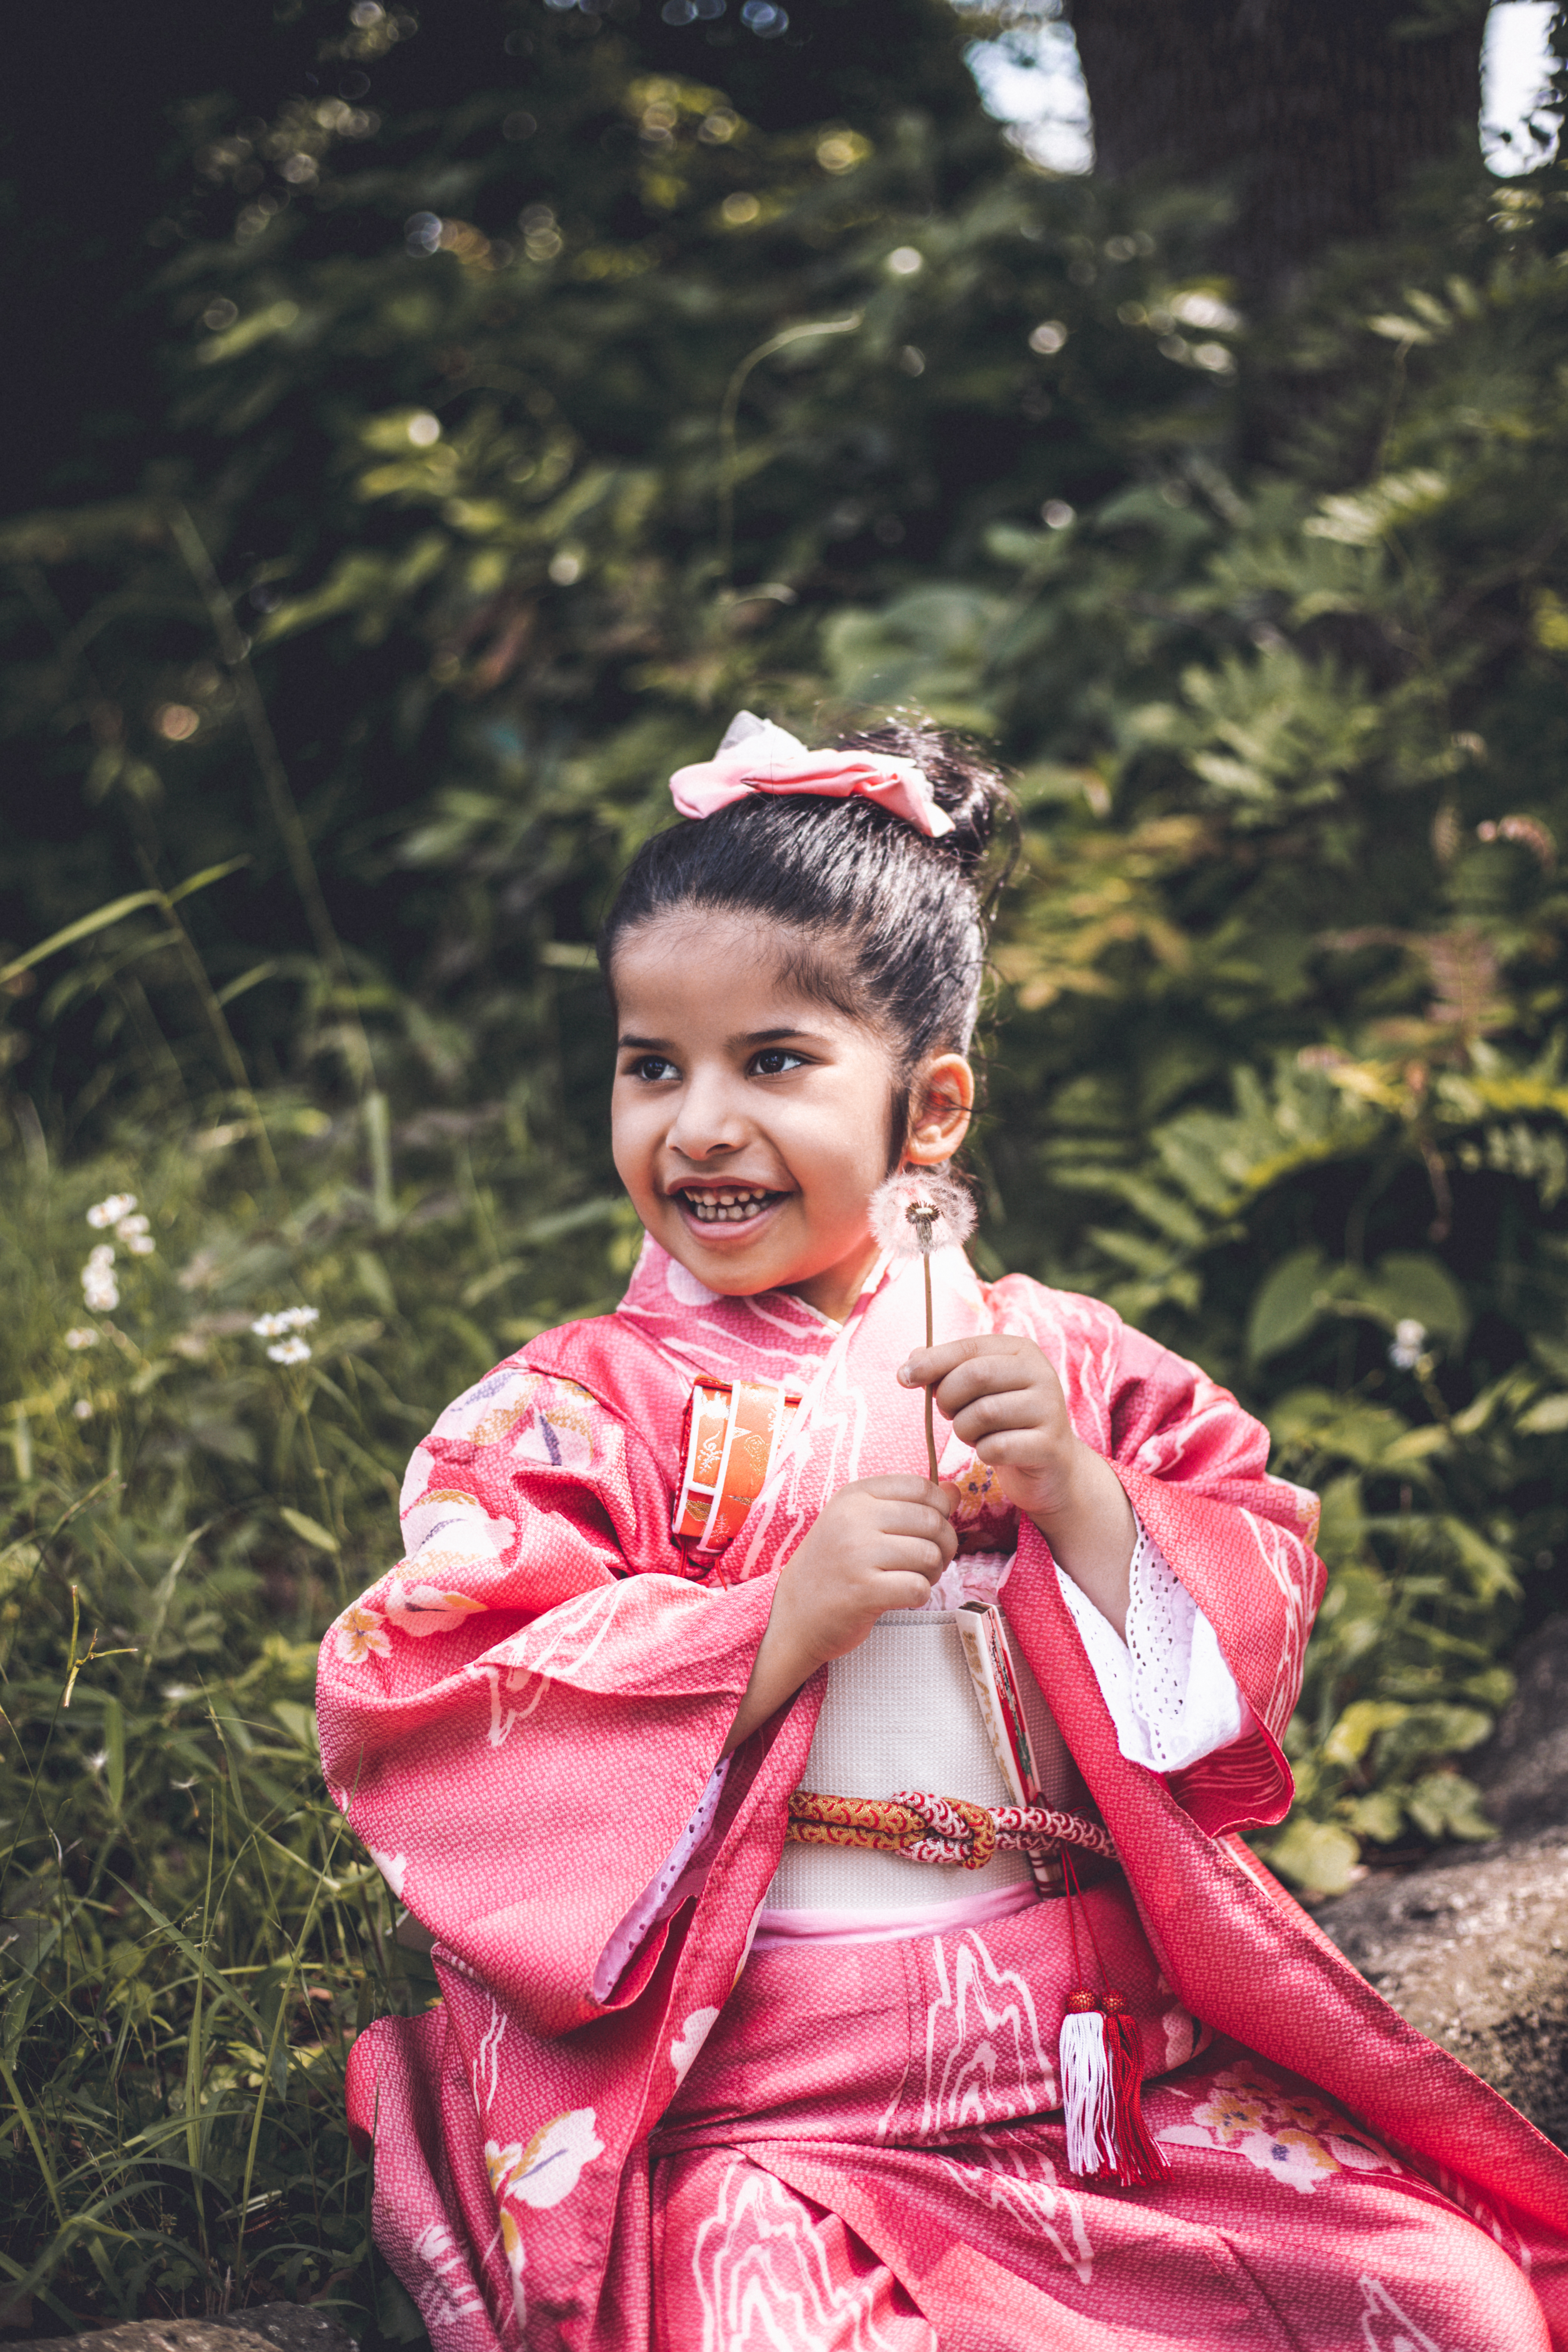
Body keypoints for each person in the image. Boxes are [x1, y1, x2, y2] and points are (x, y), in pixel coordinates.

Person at [317, 715, 1568, 2352]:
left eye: (770, 1062)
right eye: (649, 1063)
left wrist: (1083, 1499)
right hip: (767, 2093)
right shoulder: (574, 1407)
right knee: (750, 2316)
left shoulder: (1066, 1367)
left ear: (930, 1107)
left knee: (1452, 2304)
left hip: (1088, 2069)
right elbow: (434, 1686)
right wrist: (769, 1625)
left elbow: (1247, 1593)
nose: (695, 1124)